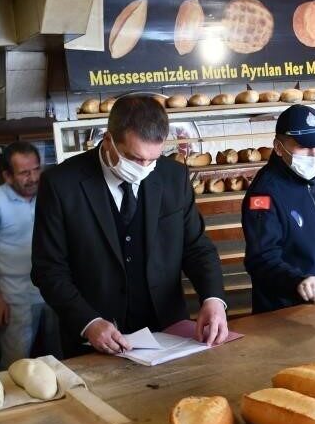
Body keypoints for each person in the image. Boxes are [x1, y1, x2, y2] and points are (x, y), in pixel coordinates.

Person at [31, 95, 227, 358]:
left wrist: (213, 299)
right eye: (135, 158)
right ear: (109, 140)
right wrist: (88, 322)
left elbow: (196, 248)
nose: (145, 168)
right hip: (96, 338)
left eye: (152, 159)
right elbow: (48, 269)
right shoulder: (61, 185)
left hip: (168, 333)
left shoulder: (173, 176)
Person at [242, 104, 315, 314]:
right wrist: (298, 281)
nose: (314, 154)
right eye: (304, 146)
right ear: (278, 147)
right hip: (285, 312)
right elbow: (261, 260)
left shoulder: (314, 179)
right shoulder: (264, 194)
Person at [0, 142, 59, 367]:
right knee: (15, 363)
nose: (33, 178)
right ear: (8, 176)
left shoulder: (49, 195)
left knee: (60, 359)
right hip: (16, 298)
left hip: (55, 293)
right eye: (24, 173)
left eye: (36, 169)